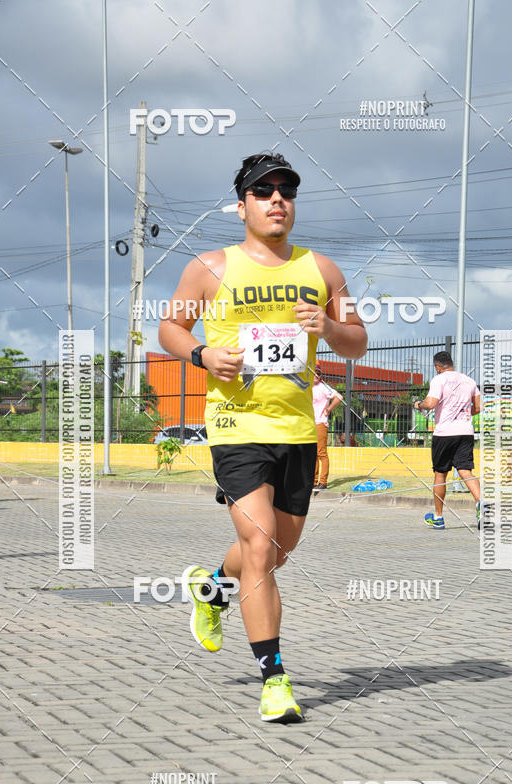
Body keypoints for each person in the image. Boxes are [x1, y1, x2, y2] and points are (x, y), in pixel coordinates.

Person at [159, 152, 367, 722]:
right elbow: (170, 327)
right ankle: (274, 678)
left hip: (298, 430)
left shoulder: (323, 270)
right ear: (243, 204)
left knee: (276, 551)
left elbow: (357, 342)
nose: (277, 199)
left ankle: (210, 591)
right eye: (264, 191)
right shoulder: (210, 268)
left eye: (286, 190)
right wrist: (202, 353)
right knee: (258, 546)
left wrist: (329, 326)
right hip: (237, 427)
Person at [414, 350, 482, 530]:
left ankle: (438, 517)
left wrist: (418, 404)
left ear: (437, 367)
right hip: (466, 431)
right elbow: (478, 407)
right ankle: (481, 502)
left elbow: (430, 403)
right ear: (451, 363)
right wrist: (464, 414)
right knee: (466, 471)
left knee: (440, 474)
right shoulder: (469, 381)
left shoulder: (439, 380)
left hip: (444, 433)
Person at [312, 363, 343, 491]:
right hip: (309, 423)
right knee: (312, 453)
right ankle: (313, 482)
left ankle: (323, 482)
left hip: (320, 423)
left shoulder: (324, 387)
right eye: (314, 372)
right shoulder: (307, 386)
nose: (316, 375)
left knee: (321, 453)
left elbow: (339, 397)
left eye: (318, 373)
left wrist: (329, 409)